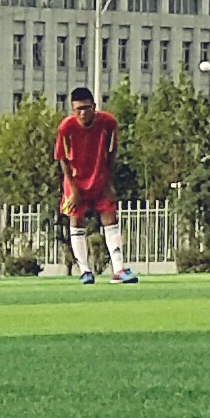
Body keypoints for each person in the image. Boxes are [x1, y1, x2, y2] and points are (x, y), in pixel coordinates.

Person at [53, 86, 132, 282]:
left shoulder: (108, 122)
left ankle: (119, 269)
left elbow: (111, 151)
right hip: (75, 182)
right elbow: (62, 158)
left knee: (110, 218)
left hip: (99, 178)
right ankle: (85, 271)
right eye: (77, 109)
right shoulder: (66, 127)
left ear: (94, 107)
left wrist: (109, 180)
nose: (82, 113)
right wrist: (72, 189)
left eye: (86, 108)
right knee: (76, 220)